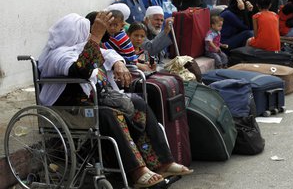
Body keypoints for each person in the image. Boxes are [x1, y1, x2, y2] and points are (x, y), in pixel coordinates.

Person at [38, 12, 193, 188]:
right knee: (111, 115)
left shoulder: (79, 48)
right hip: (72, 109)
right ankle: (137, 171)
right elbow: (81, 69)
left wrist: (118, 63)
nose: (87, 36)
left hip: (96, 102)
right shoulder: (58, 55)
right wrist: (96, 36)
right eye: (85, 32)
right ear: (74, 34)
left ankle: (163, 163)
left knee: (139, 103)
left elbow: (108, 53)